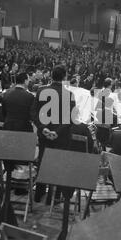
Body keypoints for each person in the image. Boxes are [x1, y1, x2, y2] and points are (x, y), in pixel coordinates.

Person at [33, 65, 77, 202]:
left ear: (51, 76)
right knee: (60, 164)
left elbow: (33, 113)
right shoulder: (69, 94)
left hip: (44, 135)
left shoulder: (41, 91)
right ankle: (57, 195)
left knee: (42, 162)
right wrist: (56, 132)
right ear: (65, 77)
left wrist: (43, 128)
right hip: (61, 137)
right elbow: (71, 119)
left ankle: (39, 195)